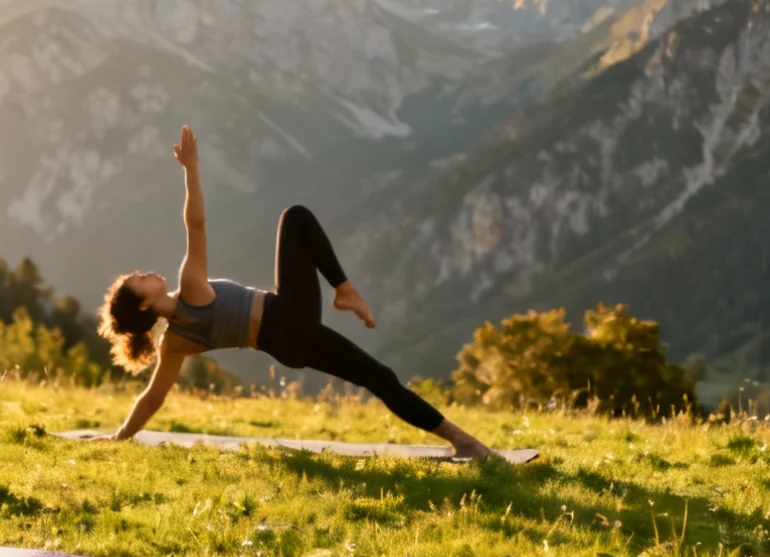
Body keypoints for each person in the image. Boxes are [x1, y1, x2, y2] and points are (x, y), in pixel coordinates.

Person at [95, 124, 494, 458]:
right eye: (139, 279)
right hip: (288, 318)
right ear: (145, 302)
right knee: (296, 218)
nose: (144, 272)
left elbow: (152, 400)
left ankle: (463, 441)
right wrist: (191, 169)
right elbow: (195, 224)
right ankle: (346, 291)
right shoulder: (192, 289)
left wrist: (119, 437)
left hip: (288, 347)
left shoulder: (174, 344)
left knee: (379, 376)